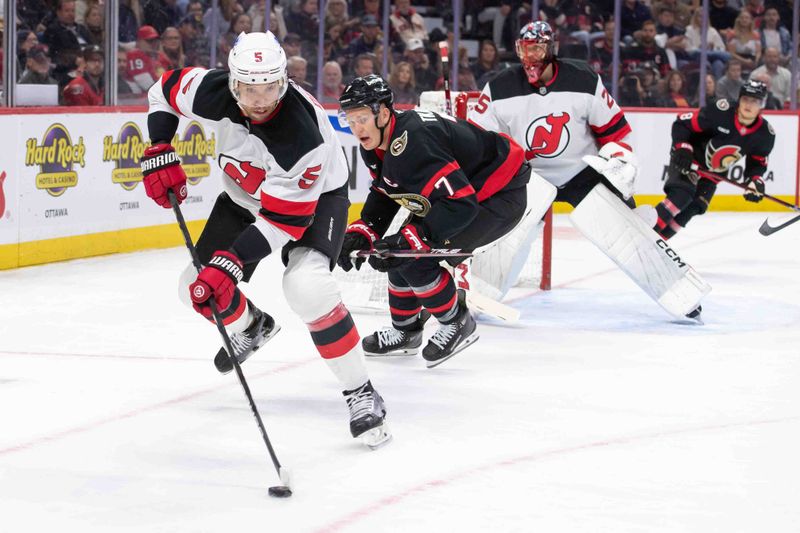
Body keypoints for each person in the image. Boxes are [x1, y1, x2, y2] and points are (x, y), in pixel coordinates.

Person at [139, 31, 391, 449]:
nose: (259, 99)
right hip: (243, 195)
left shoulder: (301, 136)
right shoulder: (211, 90)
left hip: (312, 201)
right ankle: (251, 326)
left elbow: (283, 222)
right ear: (233, 82)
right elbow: (161, 93)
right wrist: (160, 147)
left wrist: (232, 261)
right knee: (192, 287)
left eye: (270, 87)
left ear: (284, 82)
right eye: (250, 88)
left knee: (306, 287)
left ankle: (361, 391)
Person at [469, 21, 709, 322]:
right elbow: (479, 140)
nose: (530, 55)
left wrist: (619, 160)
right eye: (524, 48)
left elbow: (615, 131)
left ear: (551, 48)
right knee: (508, 233)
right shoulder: (499, 87)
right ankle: (478, 292)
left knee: (625, 230)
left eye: (537, 47)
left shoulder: (582, 78)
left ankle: (679, 291)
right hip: (528, 174)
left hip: (579, 171)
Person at [337, 75, 532, 366]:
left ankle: (457, 322)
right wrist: (363, 231)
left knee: (414, 256)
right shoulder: (378, 142)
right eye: (350, 120)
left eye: (362, 118)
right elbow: (386, 189)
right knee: (398, 252)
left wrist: (414, 238)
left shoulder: (414, 142)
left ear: (385, 113)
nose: (356, 128)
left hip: (498, 195)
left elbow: (461, 203)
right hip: (465, 193)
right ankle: (406, 332)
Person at [653, 80, 775, 240]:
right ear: (739, 99)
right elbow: (682, 124)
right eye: (746, 99)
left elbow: (757, 163)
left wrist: (755, 181)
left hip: (713, 174)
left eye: (755, 101)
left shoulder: (765, 134)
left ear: (762, 104)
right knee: (682, 195)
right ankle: (646, 231)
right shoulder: (720, 111)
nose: (749, 104)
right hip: (689, 160)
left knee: (694, 207)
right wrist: (683, 148)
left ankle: (658, 242)